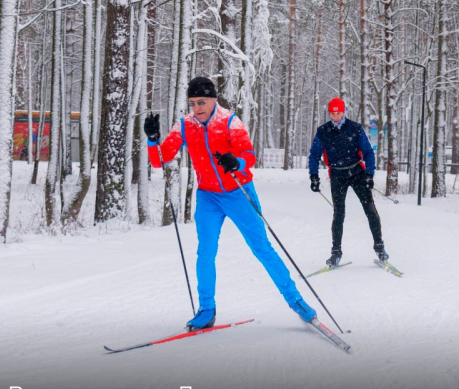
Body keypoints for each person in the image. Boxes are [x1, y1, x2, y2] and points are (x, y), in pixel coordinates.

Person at [144, 76, 317, 331]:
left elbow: (249, 156)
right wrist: (152, 139)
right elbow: (160, 160)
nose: (197, 108)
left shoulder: (229, 122)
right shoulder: (185, 125)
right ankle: (206, 309)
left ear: (213, 99)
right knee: (205, 252)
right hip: (208, 197)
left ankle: (296, 301)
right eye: (192, 103)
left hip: (238, 193)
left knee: (262, 249)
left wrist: (237, 162)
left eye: (201, 102)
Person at [308, 97, 387, 268]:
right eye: (332, 113)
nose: (335, 116)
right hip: (337, 175)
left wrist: (369, 174)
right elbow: (314, 155)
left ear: (343, 112)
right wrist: (314, 176)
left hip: (357, 173)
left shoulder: (355, 128)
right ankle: (336, 253)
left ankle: (379, 247)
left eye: (338, 113)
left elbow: (368, 152)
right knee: (339, 214)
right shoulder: (323, 131)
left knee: (370, 209)